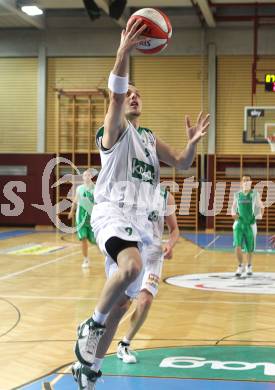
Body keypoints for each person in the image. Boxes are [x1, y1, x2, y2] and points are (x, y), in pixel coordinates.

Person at [73, 18, 210, 389]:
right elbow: (115, 96)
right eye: (128, 92)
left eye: (138, 93)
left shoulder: (148, 137)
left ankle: (91, 368)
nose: (133, 96)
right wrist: (123, 52)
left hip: (142, 224)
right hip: (112, 212)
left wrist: (193, 141)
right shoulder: (113, 131)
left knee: (121, 304)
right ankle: (90, 324)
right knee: (131, 269)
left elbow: (182, 163)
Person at [117, 190, 179, 363]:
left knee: (145, 301)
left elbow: (174, 230)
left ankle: (125, 343)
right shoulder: (129, 191)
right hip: (131, 251)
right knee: (122, 303)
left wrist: (169, 244)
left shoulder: (166, 197)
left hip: (153, 255)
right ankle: (95, 327)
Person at [231, 175, 264, 277]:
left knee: (250, 248)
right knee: (237, 246)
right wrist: (233, 214)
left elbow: (261, 206)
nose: (246, 182)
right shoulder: (237, 194)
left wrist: (260, 215)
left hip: (251, 224)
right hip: (239, 224)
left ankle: (249, 265)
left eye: (248, 180)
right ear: (241, 182)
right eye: (244, 180)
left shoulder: (255, 194)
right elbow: (233, 207)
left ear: (251, 182)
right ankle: (240, 266)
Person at [68, 169, 96, 268]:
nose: (87, 177)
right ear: (83, 177)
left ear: (91, 177)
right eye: (85, 175)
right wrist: (72, 211)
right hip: (80, 217)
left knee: (96, 240)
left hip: (92, 218)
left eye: (88, 175)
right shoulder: (79, 188)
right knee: (83, 238)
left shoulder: (96, 189)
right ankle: (85, 259)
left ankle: (108, 256)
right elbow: (75, 201)